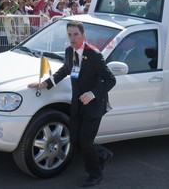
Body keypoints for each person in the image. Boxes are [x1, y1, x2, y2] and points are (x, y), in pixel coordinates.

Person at [28, 20, 116, 187]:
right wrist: (45, 84)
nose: (73, 38)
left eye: (76, 34)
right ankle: (102, 153)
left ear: (83, 35)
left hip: (94, 106)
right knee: (75, 139)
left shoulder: (94, 55)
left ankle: (95, 174)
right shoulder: (70, 51)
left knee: (85, 142)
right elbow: (64, 70)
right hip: (77, 104)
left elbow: (110, 80)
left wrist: (92, 94)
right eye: (69, 34)